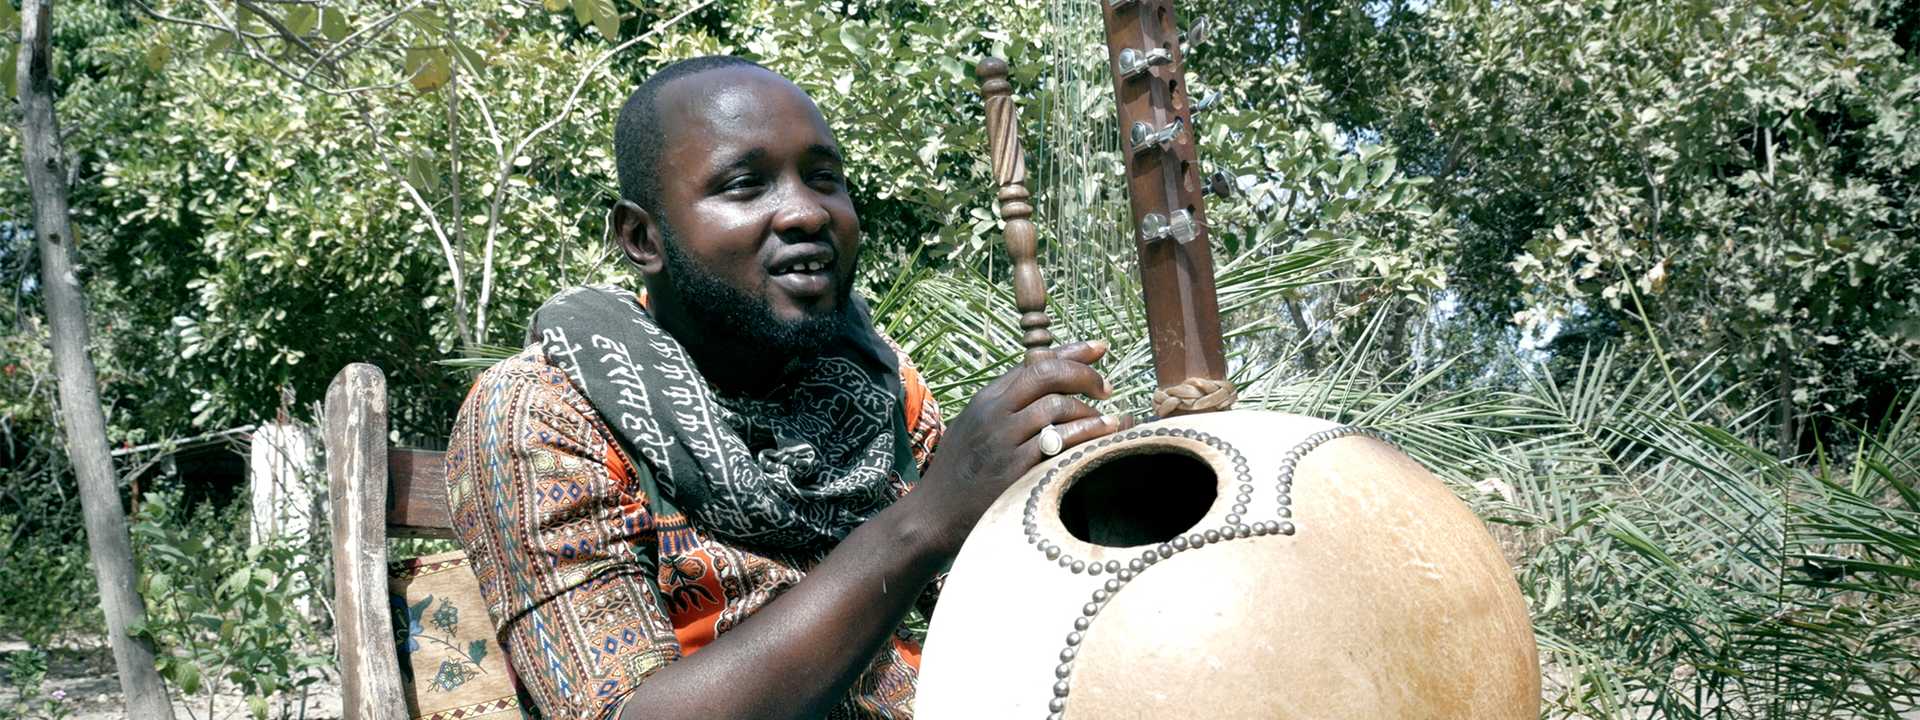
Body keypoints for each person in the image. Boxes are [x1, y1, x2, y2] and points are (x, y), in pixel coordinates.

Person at [444, 55, 1128, 720]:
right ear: (642, 237)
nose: (807, 212)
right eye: (745, 185)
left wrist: (1098, 504)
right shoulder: (548, 411)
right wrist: (925, 521)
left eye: (825, 178)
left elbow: (1006, 624)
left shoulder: (873, 382)